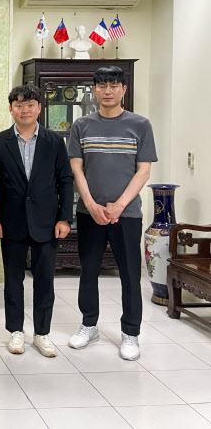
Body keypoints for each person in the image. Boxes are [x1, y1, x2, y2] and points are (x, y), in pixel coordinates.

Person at [67, 66, 156, 361]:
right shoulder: (82, 125)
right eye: (103, 85)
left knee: (130, 275)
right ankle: (88, 325)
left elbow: (143, 170)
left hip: (127, 213)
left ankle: (131, 333)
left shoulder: (140, 125)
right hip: (89, 212)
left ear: (123, 90)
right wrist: (90, 204)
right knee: (88, 271)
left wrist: (119, 205)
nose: (108, 90)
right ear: (95, 89)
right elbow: (76, 168)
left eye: (114, 85)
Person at [0, 86, 74, 357]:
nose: (24, 110)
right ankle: (16, 331)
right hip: (11, 221)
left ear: (39, 108)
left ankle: (42, 333)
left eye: (30, 105)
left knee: (44, 280)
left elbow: (65, 180)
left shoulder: (54, 141)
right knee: (13, 280)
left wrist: (65, 218)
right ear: (10, 108)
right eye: (19, 104)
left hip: (47, 222)